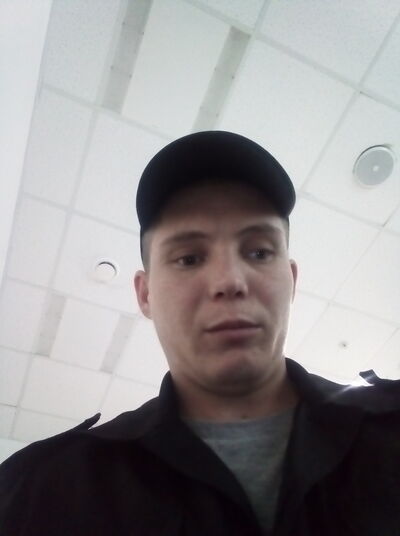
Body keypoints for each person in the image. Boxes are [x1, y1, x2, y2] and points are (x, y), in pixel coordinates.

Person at [0, 131, 399, 536]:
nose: (229, 281)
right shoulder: (43, 494)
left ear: (291, 280)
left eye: (259, 252)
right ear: (145, 294)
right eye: (189, 258)